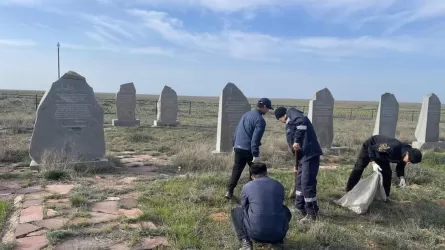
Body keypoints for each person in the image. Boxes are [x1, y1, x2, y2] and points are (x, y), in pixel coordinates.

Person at [274, 107, 323, 223]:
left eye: (279, 120)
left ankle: (312, 213)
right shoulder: (290, 122)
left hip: (310, 155)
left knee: (307, 183)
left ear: (281, 117)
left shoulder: (292, 113)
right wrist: (296, 165)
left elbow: (302, 122)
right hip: (302, 158)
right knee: (300, 182)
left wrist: (296, 140)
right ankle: (300, 206)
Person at [231, 162, 291, 250]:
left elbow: (243, 207)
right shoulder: (279, 185)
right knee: (285, 210)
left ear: (252, 176)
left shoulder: (247, 186)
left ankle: (246, 243)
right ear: (266, 173)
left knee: (236, 211)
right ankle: (277, 243)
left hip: (255, 234)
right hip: (278, 234)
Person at [225, 98, 273, 199]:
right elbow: (255, 139)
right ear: (264, 107)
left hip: (238, 147)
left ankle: (229, 191)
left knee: (236, 169)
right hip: (249, 149)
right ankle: (253, 194)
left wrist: (234, 144)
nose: (268, 110)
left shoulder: (246, 115)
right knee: (256, 172)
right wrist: (255, 154)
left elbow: (237, 130)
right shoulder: (260, 120)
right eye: (268, 108)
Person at [345, 135, 423, 198]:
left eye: (410, 162)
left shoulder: (405, 155)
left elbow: (400, 166)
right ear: (407, 153)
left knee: (387, 173)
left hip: (382, 155)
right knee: (359, 167)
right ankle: (349, 190)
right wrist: (373, 162)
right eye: (409, 160)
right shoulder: (392, 148)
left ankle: (385, 196)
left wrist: (402, 177)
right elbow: (372, 148)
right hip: (370, 146)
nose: (408, 162)